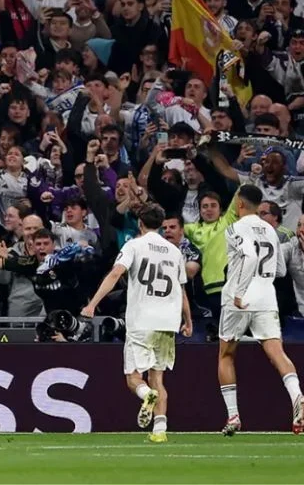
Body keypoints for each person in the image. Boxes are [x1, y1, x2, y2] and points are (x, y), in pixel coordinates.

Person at [82, 205, 192, 443]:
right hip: (168, 322)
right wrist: (188, 320)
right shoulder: (174, 252)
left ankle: (146, 395)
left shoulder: (134, 245)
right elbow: (181, 290)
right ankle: (160, 431)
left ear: (140, 224)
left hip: (142, 321)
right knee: (158, 377)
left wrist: (93, 304)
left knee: (134, 378)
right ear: (162, 224)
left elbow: (114, 274)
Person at [217, 185, 303, 436]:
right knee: (277, 352)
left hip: (238, 298)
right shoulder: (270, 230)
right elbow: (280, 271)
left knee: (226, 354)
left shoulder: (235, 227)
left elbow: (249, 256)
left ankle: (233, 416)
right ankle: (297, 395)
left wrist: (241, 291)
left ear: (240, 204)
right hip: (266, 296)